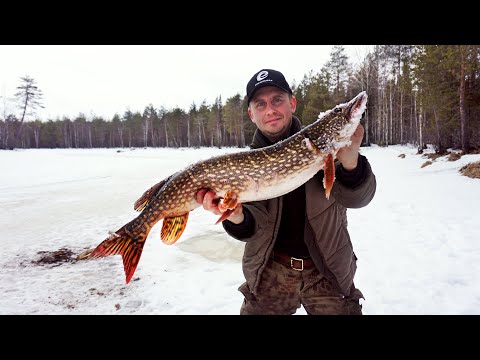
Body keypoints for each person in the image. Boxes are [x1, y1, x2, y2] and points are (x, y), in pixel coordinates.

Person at [196, 69, 376, 315]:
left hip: (327, 270)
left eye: (277, 100)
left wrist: (351, 160)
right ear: (251, 114)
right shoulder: (245, 165)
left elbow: (358, 199)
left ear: (292, 103)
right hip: (270, 272)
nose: (270, 110)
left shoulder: (326, 149)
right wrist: (235, 215)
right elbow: (251, 227)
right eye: (261, 104)